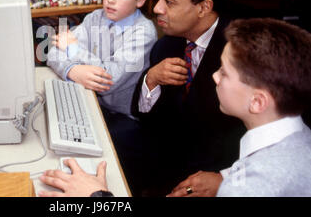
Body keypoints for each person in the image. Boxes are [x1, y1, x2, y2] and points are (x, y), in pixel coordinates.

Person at [39, 18, 311, 197]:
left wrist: (96, 197)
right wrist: (225, 178)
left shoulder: (256, 186)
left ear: (258, 101)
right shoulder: (299, 140)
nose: (214, 77)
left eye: (225, 73)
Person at [130, 0, 245, 195]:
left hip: (222, 175)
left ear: (204, 7)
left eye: (168, 2)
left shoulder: (245, 50)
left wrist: (225, 178)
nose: (157, 8)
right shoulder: (165, 46)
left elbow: (272, 136)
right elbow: (147, 118)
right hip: (169, 166)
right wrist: (151, 80)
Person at [46, 0, 157, 196]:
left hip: (124, 117)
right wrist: (72, 71)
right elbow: (54, 49)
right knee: (54, 136)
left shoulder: (143, 32)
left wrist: (74, 51)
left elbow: (109, 80)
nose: (110, 0)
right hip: (93, 102)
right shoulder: (96, 17)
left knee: (98, 164)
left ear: (140, 0)